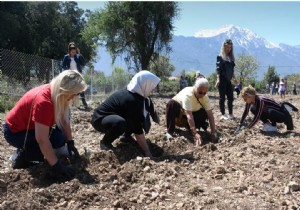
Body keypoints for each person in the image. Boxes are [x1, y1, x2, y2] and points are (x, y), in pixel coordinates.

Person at [3, 70, 87, 179]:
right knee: (41, 153)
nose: (74, 97)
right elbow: (42, 139)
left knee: (58, 139)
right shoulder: (44, 102)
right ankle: (22, 157)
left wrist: (70, 143)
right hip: (15, 132)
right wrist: (57, 166)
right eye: (74, 94)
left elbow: (64, 121)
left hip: (30, 129)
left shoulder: (56, 94)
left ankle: (32, 151)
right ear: (65, 90)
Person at [91, 70, 160, 159]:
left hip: (112, 117)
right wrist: (147, 152)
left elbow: (137, 120)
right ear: (145, 84)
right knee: (120, 123)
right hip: (100, 119)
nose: (153, 89)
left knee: (134, 118)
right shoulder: (132, 99)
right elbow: (137, 130)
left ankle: (126, 137)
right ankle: (105, 142)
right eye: (152, 86)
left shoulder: (138, 95)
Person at [165, 78, 217, 146]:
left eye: (204, 93)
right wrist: (195, 133)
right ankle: (169, 132)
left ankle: (190, 128)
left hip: (192, 114)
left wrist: (213, 133)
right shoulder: (188, 95)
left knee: (204, 111)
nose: (202, 95)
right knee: (171, 104)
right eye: (200, 92)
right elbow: (189, 116)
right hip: (179, 116)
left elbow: (210, 115)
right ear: (195, 87)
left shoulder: (205, 98)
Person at [215, 39, 237, 120]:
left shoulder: (231, 58)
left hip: (228, 80)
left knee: (231, 97)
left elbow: (232, 70)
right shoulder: (220, 57)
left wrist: (234, 78)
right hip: (222, 79)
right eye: (227, 47)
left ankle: (230, 114)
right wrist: (218, 79)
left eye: (230, 47)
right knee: (222, 97)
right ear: (224, 47)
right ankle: (223, 114)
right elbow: (218, 69)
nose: (228, 49)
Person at [62, 42, 88, 109]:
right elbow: (63, 66)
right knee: (71, 90)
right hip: (70, 76)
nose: (74, 53)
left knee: (81, 88)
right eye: (72, 52)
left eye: (75, 52)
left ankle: (84, 104)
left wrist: (79, 54)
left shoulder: (77, 56)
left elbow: (83, 63)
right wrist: (68, 71)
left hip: (78, 75)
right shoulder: (66, 57)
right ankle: (72, 105)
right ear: (69, 51)